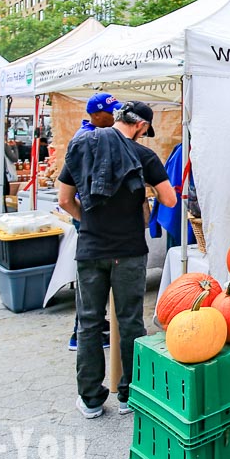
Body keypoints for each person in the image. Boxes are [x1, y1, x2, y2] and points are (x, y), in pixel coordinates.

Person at [57, 101, 175, 419]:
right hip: (130, 252)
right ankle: (129, 394)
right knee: (130, 322)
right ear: (139, 125)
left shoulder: (82, 147)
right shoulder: (144, 156)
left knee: (89, 325)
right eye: (145, 131)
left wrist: (88, 221)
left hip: (91, 249)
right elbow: (170, 198)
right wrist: (144, 190)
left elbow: (64, 199)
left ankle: (91, 400)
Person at [63, 93, 120, 352]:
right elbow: (67, 194)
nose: (115, 117)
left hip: (91, 219)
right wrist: (85, 220)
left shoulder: (96, 136)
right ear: (96, 114)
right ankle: (81, 333)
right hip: (90, 220)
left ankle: (93, 327)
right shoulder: (86, 140)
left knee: (95, 280)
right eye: (111, 112)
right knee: (93, 282)